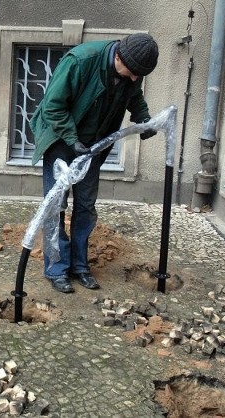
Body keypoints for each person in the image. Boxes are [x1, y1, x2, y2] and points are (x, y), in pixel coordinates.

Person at [30, 33, 159, 294]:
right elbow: (52, 107)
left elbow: (134, 96)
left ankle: (79, 266)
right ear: (119, 56)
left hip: (93, 146)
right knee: (55, 206)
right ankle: (56, 268)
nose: (135, 78)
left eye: (139, 75)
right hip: (60, 138)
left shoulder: (131, 70)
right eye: (133, 72)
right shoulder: (80, 61)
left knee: (86, 206)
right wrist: (71, 138)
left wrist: (143, 119)